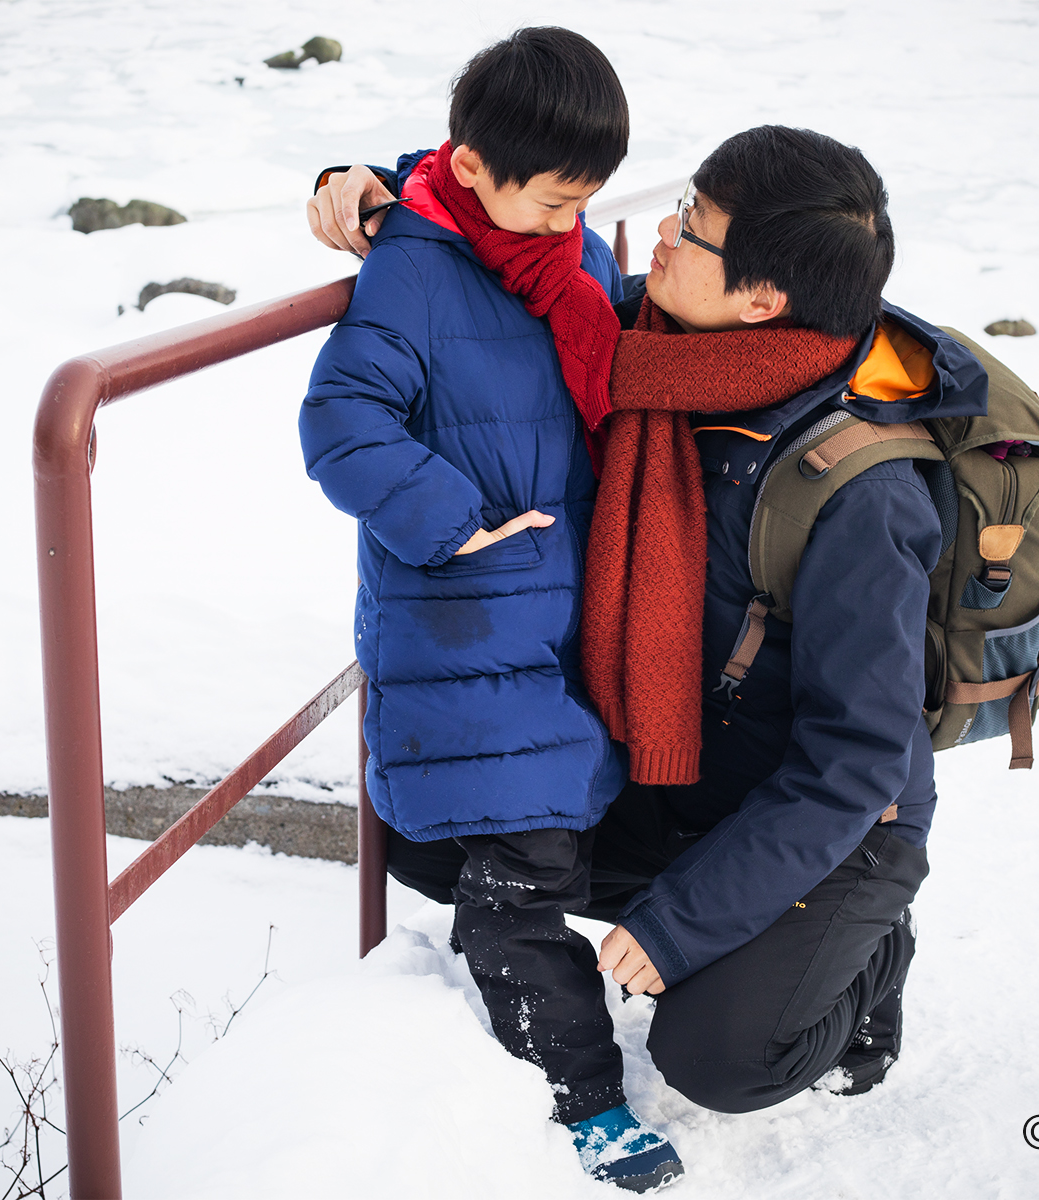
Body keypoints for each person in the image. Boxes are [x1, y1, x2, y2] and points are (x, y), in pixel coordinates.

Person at [309, 125, 990, 1118]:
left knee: (716, 1056)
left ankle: (867, 956)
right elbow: (508, 189)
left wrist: (682, 927)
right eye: (682, 209)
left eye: (692, 228)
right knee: (437, 836)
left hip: (836, 825)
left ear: (762, 299)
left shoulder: (862, 490)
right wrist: (376, 183)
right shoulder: (636, 350)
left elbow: (855, 763)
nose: (659, 235)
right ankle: (729, 921)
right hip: (680, 782)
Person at [297, 28, 686, 1193]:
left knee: (525, 843)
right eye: (557, 194)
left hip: (551, 623)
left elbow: (469, 189)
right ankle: (587, 1099)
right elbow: (340, 424)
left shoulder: (548, 260)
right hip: (467, 623)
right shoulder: (413, 271)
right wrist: (454, 522)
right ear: (473, 171)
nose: (575, 215)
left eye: (590, 195)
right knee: (515, 880)